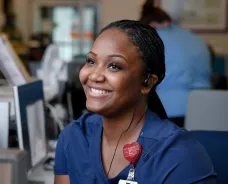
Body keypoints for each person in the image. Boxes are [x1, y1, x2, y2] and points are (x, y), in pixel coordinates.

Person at [54, 20, 216, 184]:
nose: (95, 76)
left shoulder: (180, 155)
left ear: (147, 82)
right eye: (91, 61)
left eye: (114, 66)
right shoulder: (73, 137)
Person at [139, 0, 211, 127]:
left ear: (151, 24)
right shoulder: (197, 40)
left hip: (165, 110)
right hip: (202, 109)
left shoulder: (154, 40)